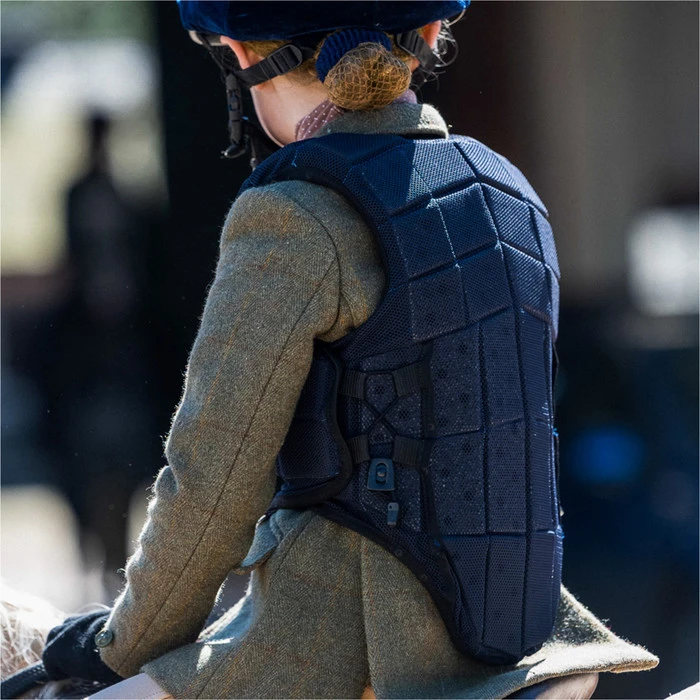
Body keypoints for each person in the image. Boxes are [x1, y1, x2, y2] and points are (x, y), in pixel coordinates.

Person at [38, 2, 658, 698]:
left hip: (349, 648)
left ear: (239, 55)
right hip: (529, 634)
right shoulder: (512, 194)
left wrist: (121, 647)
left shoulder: (294, 213)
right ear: (430, 36)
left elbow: (212, 484)